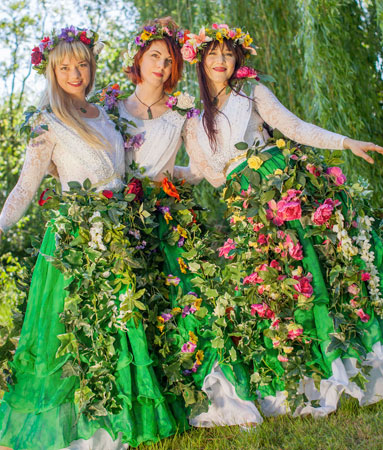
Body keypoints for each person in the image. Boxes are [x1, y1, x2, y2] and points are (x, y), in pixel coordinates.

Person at [174, 23, 383, 420]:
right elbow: (201, 174)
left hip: (278, 190)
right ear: (199, 59)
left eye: (228, 53)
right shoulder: (190, 120)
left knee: (313, 272)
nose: (220, 60)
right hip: (246, 206)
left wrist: (346, 142)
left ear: (237, 59)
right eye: (213, 53)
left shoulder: (252, 93)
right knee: (278, 290)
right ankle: (309, 373)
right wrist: (141, 172)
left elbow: (294, 127)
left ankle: (346, 357)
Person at [0, 27, 183, 450]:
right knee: (73, 332)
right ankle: (74, 422)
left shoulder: (104, 114)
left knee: (116, 325)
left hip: (118, 236)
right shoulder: (45, 122)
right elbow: (25, 184)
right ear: (52, 70)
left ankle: (114, 416)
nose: (75, 73)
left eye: (82, 64)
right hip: (74, 240)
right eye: (66, 66)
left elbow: (125, 173)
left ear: (91, 68)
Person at [99, 18, 262, 428]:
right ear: (138, 58)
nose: (162, 66)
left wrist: (243, 170)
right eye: (155, 56)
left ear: (177, 68)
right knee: (129, 306)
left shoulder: (183, 111)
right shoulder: (110, 104)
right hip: (119, 216)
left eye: (170, 60)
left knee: (180, 306)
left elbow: (200, 165)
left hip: (164, 217)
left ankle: (191, 393)